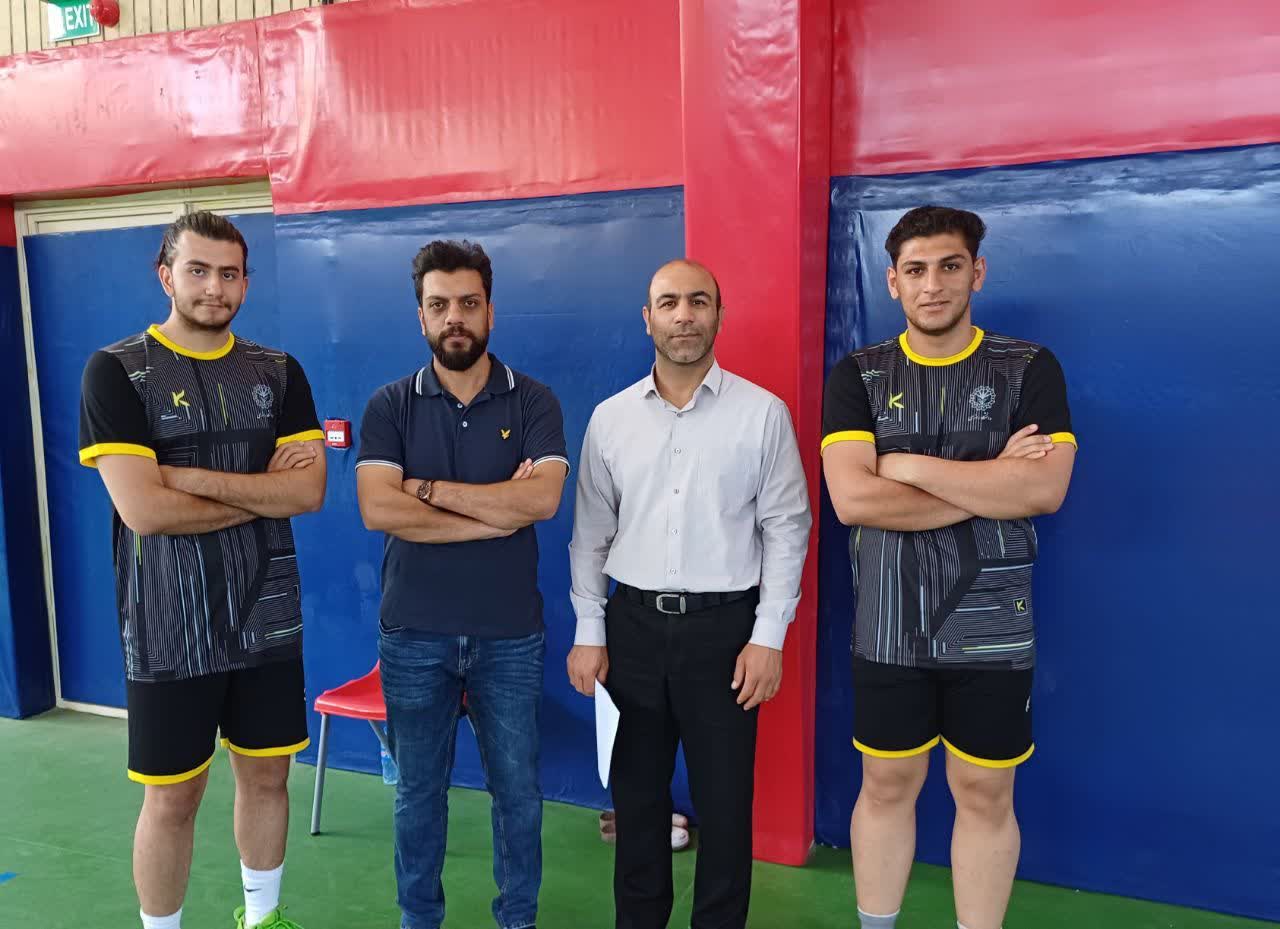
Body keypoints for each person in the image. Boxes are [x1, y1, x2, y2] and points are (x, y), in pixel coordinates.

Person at [821, 206, 1077, 929]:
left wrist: (905, 465)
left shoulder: (1029, 368)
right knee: (886, 784)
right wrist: (991, 478)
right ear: (893, 282)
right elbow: (853, 499)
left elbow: (1043, 490)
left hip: (995, 629)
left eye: (949, 266)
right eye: (916, 270)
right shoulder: (859, 375)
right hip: (888, 627)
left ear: (977, 272)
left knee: (986, 794)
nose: (932, 285)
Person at [78, 211, 327, 929]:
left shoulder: (279, 372)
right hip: (168, 624)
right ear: (166, 276)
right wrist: (259, 488)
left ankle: (263, 918)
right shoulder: (117, 371)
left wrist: (186, 478)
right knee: (172, 797)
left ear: (246, 282)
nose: (214, 287)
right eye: (198, 270)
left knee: (269, 775)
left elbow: (308, 492)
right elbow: (144, 511)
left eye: (229, 273)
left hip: (267, 615)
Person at [567, 259, 811, 929]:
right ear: (648, 318)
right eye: (669, 302)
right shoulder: (611, 419)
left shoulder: (762, 415)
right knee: (637, 804)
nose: (684, 315)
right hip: (632, 631)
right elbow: (589, 536)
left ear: (718, 316)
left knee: (726, 809)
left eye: (698, 301)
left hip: (726, 634)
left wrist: (768, 637)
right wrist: (590, 630)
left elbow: (787, 529)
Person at [355, 239, 569, 929]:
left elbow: (541, 501)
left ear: (490, 312)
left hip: (510, 634)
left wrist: (427, 491)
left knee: (519, 794)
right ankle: (420, 920)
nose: (455, 317)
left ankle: (518, 918)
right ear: (420, 316)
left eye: (468, 304)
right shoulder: (389, 406)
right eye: (439, 304)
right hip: (414, 633)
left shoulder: (534, 401)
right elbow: (378, 509)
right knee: (418, 794)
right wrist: (493, 513)